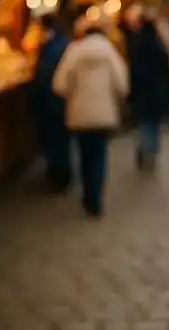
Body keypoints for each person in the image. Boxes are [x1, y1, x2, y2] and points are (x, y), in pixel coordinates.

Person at [52, 15, 129, 217]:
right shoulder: (110, 52)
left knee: (84, 154)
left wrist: (73, 93)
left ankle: (87, 194)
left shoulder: (74, 52)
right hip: (104, 113)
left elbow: (59, 84)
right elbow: (122, 84)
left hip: (79, 113)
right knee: (99, 155)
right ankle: (95, 197)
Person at [31, 14, 71, 190]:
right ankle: (62, 174)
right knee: (62, 139)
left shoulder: (51, 47)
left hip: (51, 100)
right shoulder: (66, 43)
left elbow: (44, 74)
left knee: (55, 139)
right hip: (62, 101)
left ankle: (59, 176)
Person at [130, 15, 169, 169]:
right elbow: (167, 70)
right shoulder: (159, 48)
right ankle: (152, 150)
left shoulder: (136, 47)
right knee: (155, 123)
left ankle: (145, 146)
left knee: (144, 121)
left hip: (142, 91)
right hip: (157, 91)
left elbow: (133, 71)